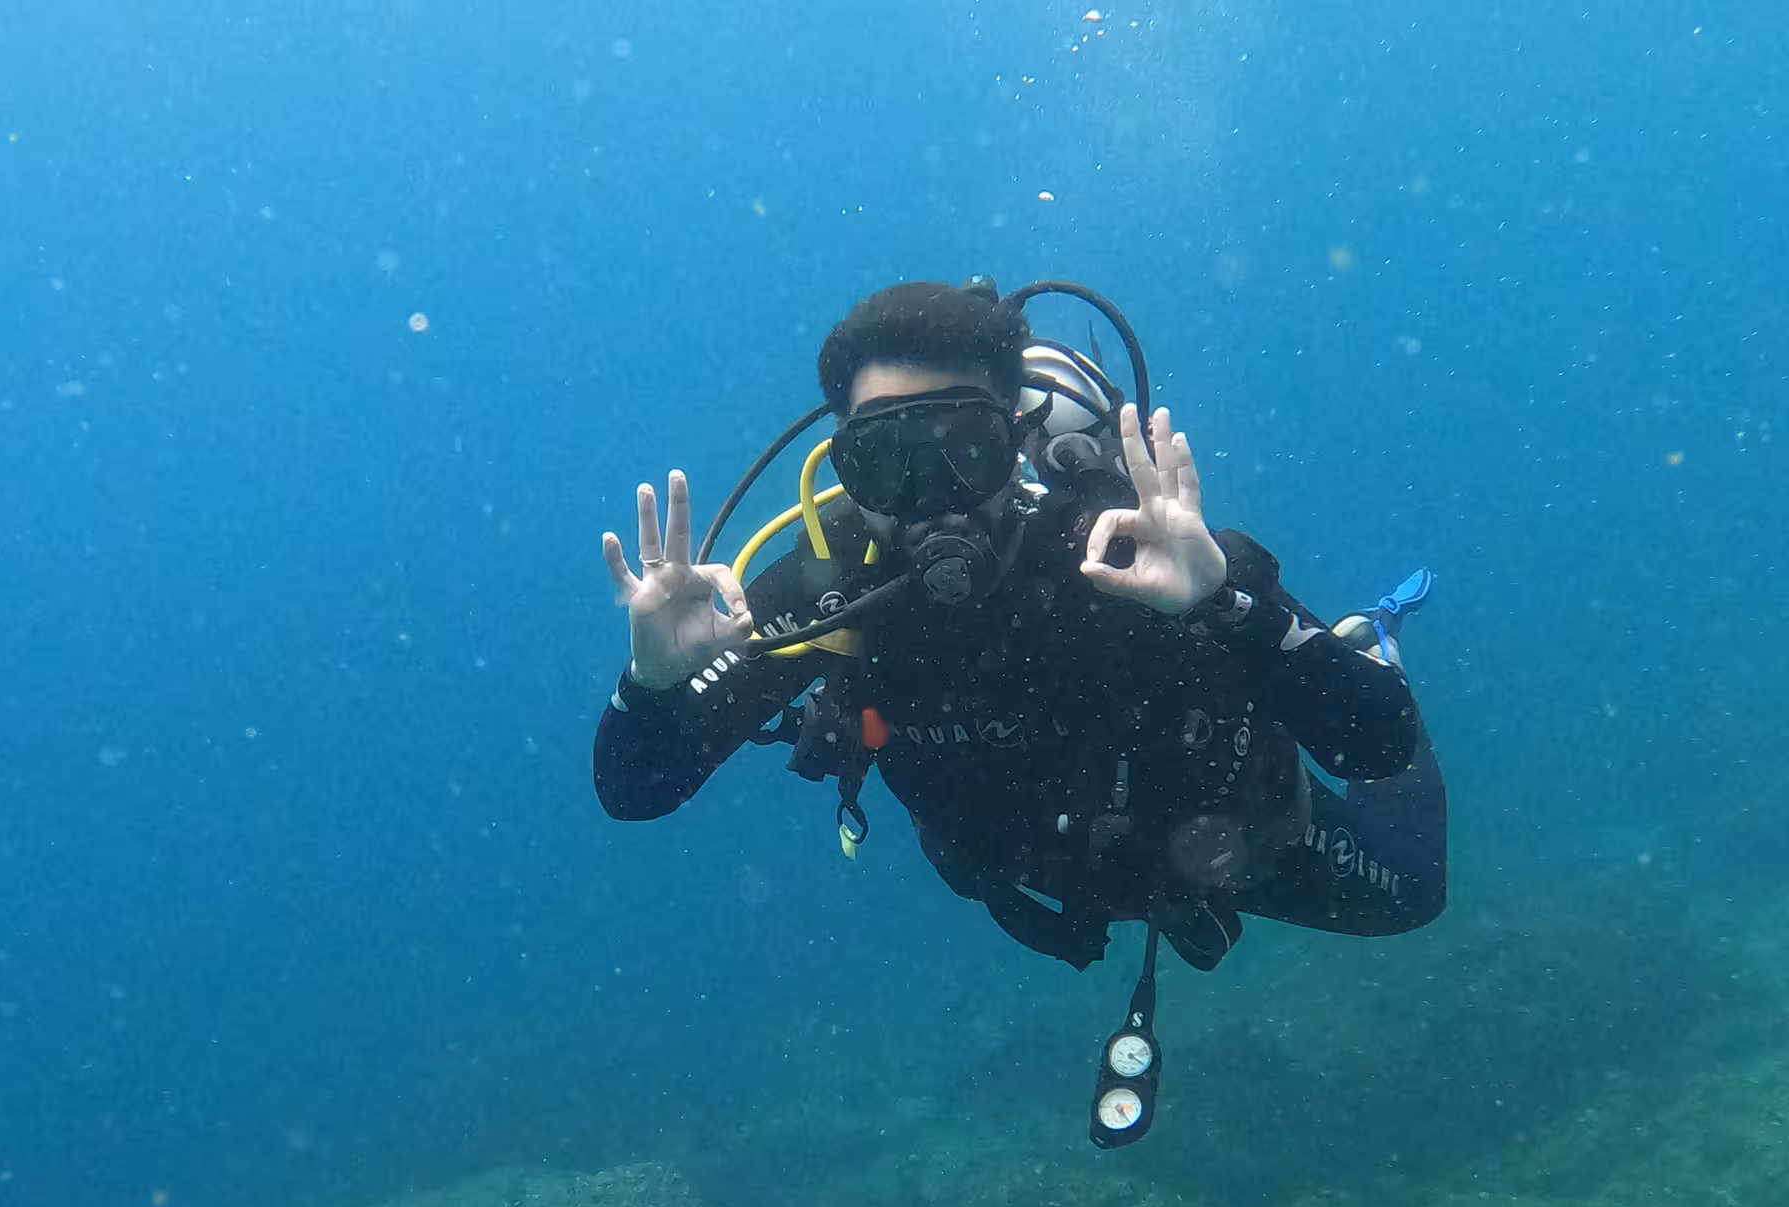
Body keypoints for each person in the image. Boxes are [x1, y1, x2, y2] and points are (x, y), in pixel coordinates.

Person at [593, 278, 1445, 1144]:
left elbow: (1379, 742)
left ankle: (1366, 638)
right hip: (1044, 875)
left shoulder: (1126, 556)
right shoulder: (829, 592)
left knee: (1415, 893)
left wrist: (1229, 603)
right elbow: (635, 789)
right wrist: (651, 684)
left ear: (1018, 438)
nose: (931, 495)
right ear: (845, 467)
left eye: (965, 447)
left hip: (1233, 830)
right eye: (886, 459)